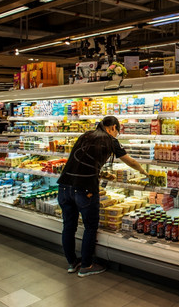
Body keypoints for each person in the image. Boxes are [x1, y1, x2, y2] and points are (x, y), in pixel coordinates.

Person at [57, 116, 148, 277]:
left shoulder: (85, 135)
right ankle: (86, 265)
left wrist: (102, 174)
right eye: (117, 132)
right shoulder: (110, 140)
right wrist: (144, 172)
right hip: (85, 189)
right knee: (90, 226)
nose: (116, 135)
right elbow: (131, 162)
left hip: (64, 186)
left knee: (69, 226)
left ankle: (72, 263)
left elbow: (82, 160)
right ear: (113, 127)